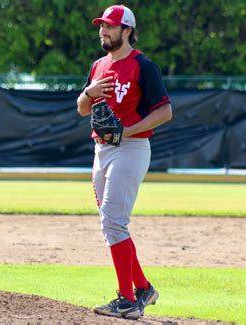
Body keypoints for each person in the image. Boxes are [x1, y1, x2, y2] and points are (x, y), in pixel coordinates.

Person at [76, 4, 173, 320]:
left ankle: (128, 300)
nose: (104, 31)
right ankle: (142, 288)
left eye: (110, 26)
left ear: (127, 30)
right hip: (101, 150)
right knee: (110, 224)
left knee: (114, 222)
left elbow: (164, 112)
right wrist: (89, 92)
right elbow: (82, 109)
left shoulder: (143, 66)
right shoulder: (98, 66)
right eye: (102, 26)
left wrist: (128, 130)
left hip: (131, 149)